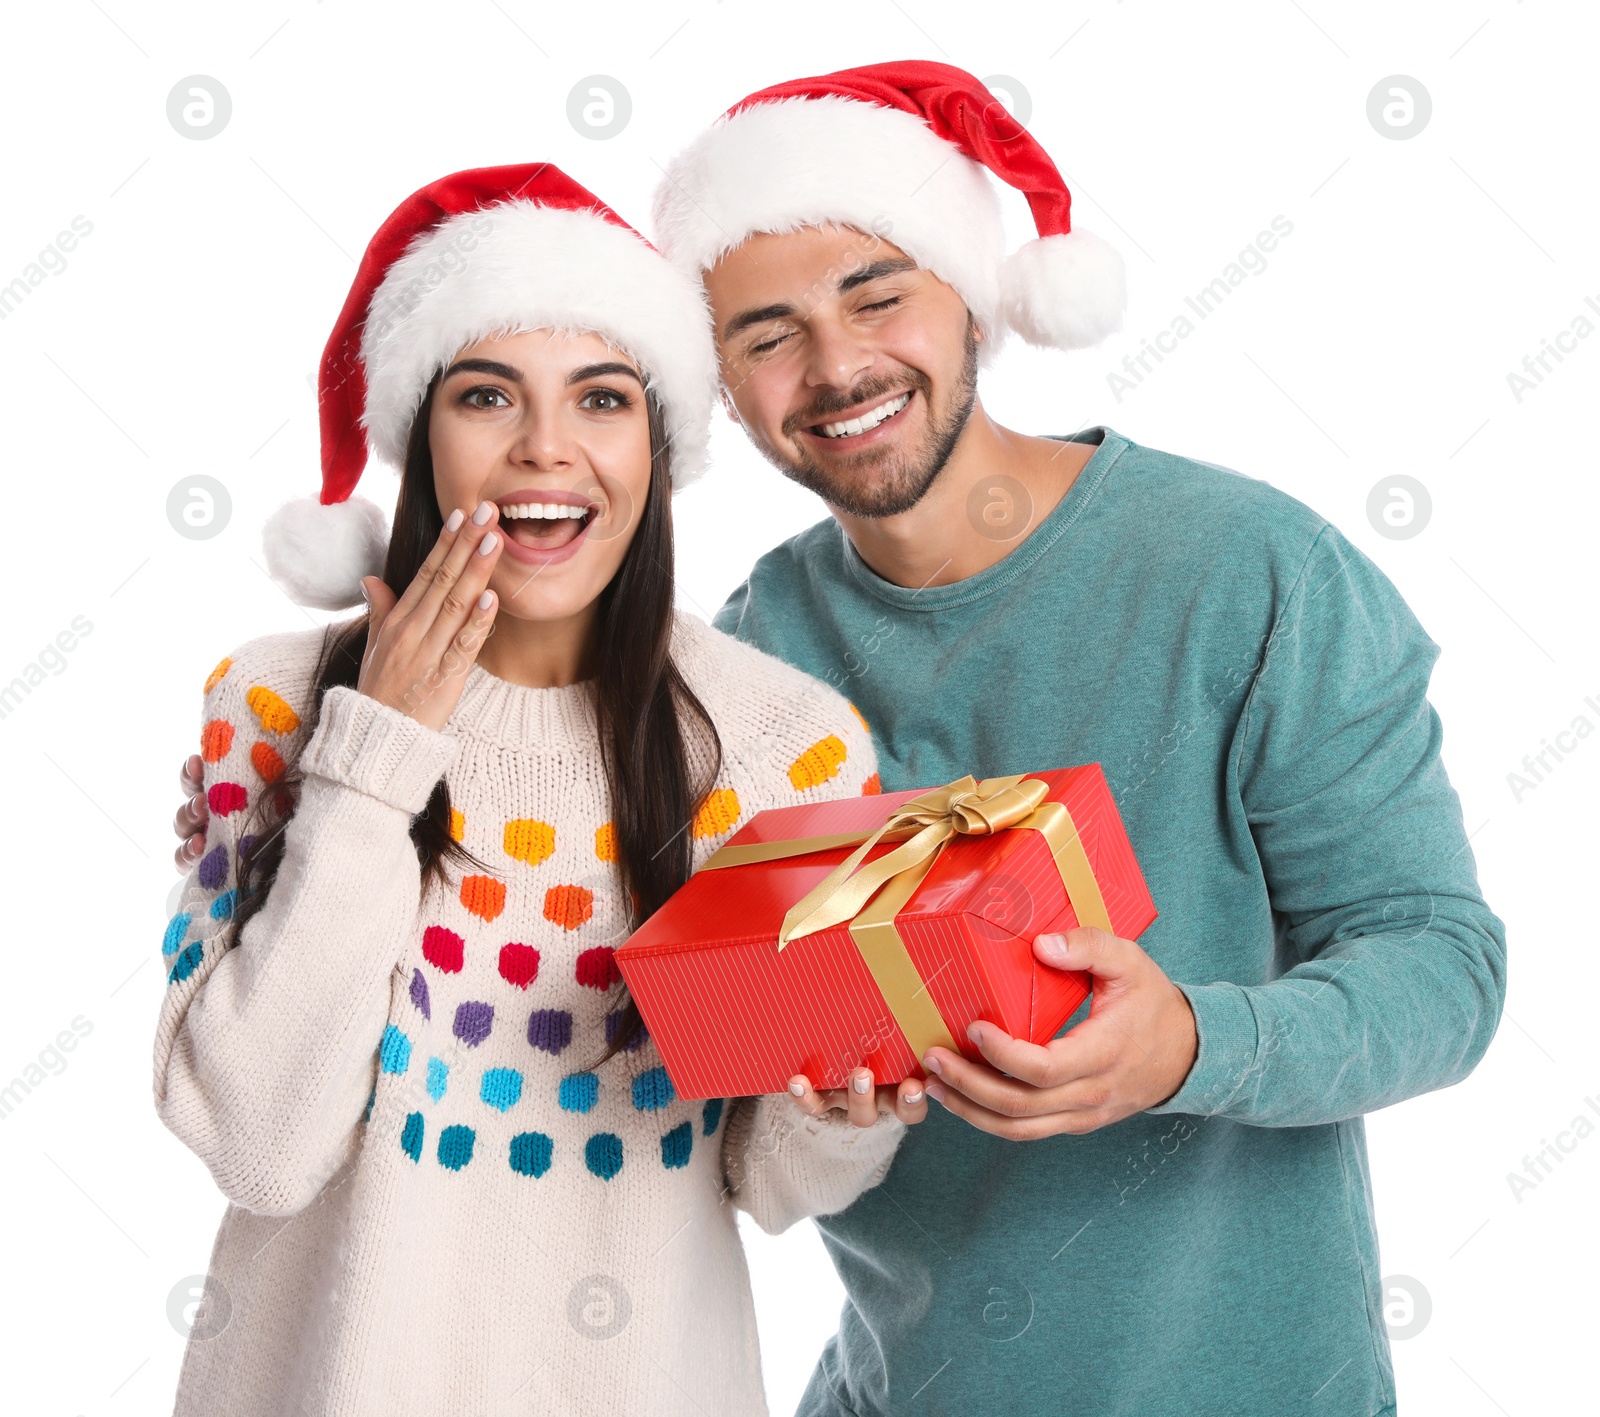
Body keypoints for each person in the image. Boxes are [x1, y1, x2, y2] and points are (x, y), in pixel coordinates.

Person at [648, 61, 1501, 1417]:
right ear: (723, 389)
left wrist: (1188, 1046)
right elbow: (699, 1069)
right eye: (766, 335)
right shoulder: (745, 657)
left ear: (978, 300)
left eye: (878, 294)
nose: (837, 366)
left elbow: (1443, 969)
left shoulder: (1250, 571)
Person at [155, 162, 920, 1417]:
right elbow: (257, 1142)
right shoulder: (276, 707)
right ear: (422, 434)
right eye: (486, 394)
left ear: (658, 443)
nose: (544, 449)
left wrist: (842, 1108)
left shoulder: (786, 744)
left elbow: (771, 1183)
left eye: (602, 397)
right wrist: (372, 755)